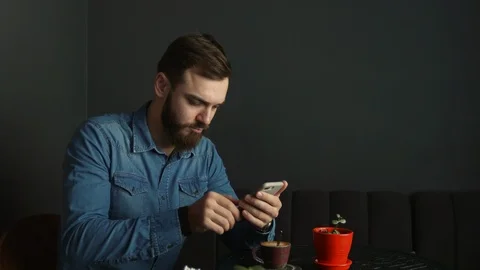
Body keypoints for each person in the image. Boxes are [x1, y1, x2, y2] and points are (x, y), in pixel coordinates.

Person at [60, 33, 288, 269]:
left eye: (215, 107)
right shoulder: (98, 138)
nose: (206, 120)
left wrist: (259, 223)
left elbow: (240, 243)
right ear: (162, 85)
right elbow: (79, 242)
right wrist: (182, 221)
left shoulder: (205, 155)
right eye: (195, 102)